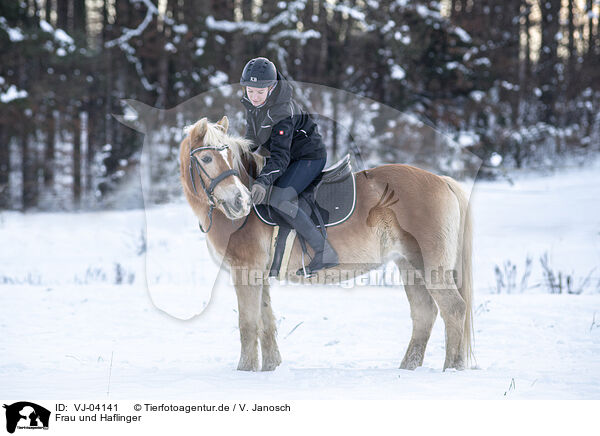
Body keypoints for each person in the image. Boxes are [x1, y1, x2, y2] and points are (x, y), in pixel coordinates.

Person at [239, 57, 339, 276]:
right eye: (250, 90)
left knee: (280, 198)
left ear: (272, 87)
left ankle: (325, 252)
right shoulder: (252, 104)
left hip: (307, 158)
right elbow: (252, 140)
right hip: (287, 157)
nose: (254, 97)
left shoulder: (282, 111)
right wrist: (233, 152)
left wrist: (264, 183)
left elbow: (280, 158)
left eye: (260, 91)